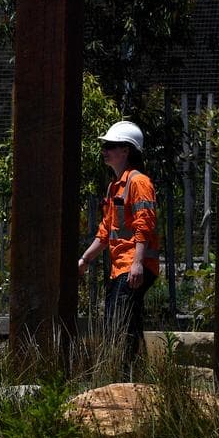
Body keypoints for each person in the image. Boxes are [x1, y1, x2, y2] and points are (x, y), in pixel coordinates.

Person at [77, 120, 160, 373]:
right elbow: (106, 232)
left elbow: (144, 224)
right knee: (127, 320)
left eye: (111, 146)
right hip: (121, 267)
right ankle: (133, 374)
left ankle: (124, 372)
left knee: (118, 320)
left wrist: (137, 263)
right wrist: (85, 260)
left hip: (135, 265)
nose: (105, 150)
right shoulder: (115, 186)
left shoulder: (139, 182)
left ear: (126, 150)